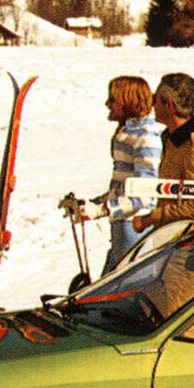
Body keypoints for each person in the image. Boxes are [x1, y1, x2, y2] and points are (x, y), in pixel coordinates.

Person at [61, 76, 163, 274]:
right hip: (124, 226)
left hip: (134, 226)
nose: (108, 104)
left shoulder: (145, 136)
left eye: (113, 99)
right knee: (107, 285)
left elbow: (145, 193)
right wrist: (91, 205)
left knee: (120, 290)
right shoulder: (130, 132)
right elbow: (122, 189)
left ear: (128, 101)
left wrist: (104, 209)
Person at [132, 72, 194, 235]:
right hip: (171, 240)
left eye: (155, 99)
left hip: (189, 244)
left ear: (169, 104)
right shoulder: (172, 140)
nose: (152, 105)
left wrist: (152, 217)